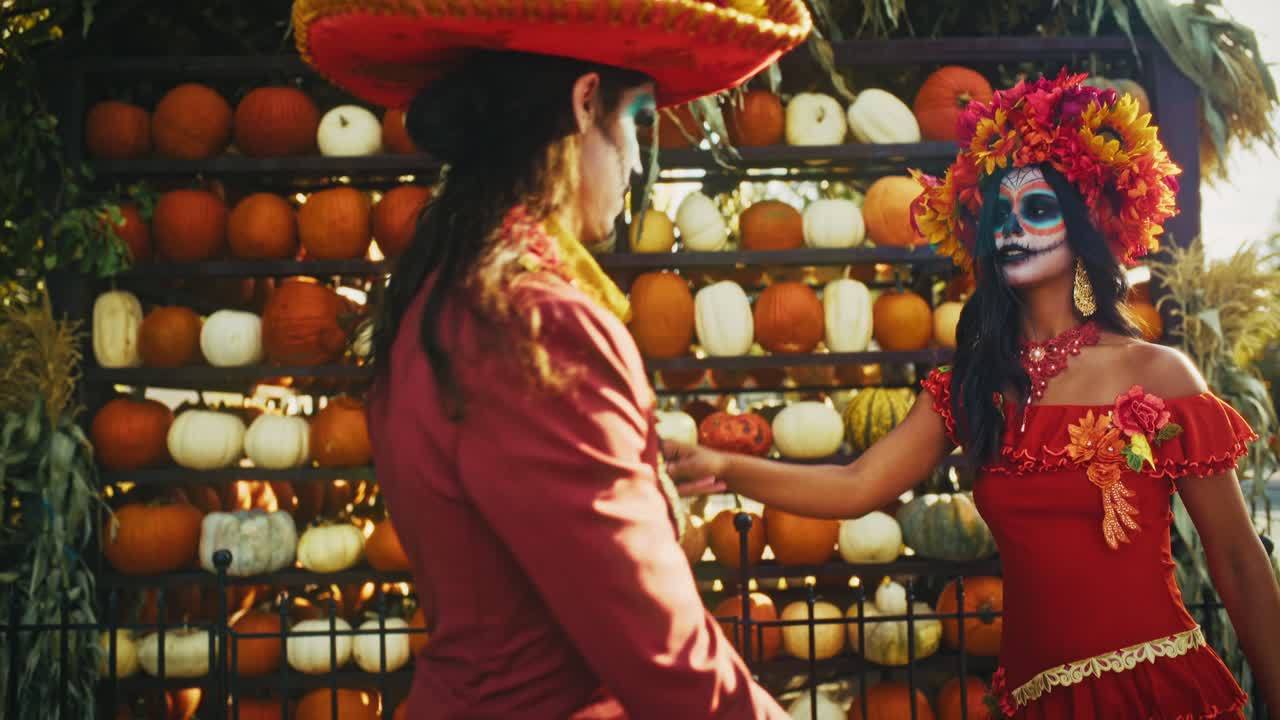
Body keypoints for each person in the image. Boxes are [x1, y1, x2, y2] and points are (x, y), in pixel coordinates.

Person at [665, 71, 1280, 718]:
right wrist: (726, 465)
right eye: (998, 215)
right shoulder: (976, 385)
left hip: (1153, 696)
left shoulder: (1160, 376)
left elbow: (1238, 561)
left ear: (1086, 223)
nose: (1012, 227)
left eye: (1037, 210)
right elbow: (855, 486)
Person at [292, 0, 812, 717]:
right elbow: (663, 655)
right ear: (584, 102)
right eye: (638, 124)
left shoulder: (440, 295)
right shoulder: (535, 325)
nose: (637, 164)